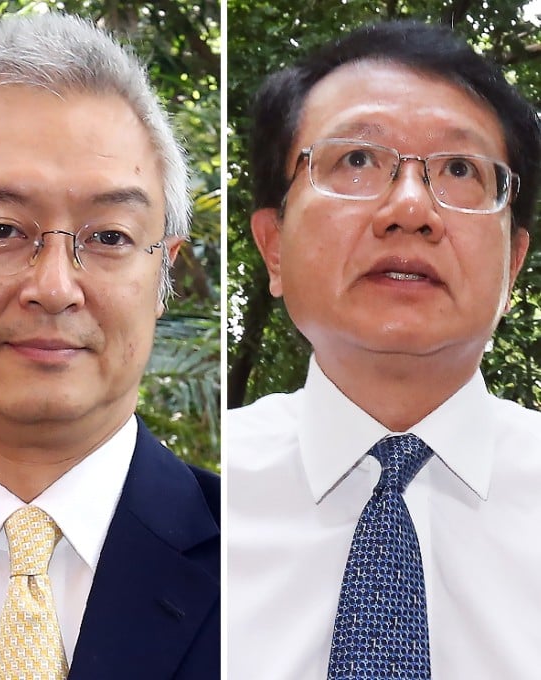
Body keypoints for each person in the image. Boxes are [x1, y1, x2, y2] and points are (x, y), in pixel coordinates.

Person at [0, 13, 219, 680]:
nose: (55, 288)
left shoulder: (263, 561)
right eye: (0, 229)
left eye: (108, 237)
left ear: (163, 271)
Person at [226, 20, 541, 679]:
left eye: (459, 169)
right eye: (357, 160)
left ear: (513, 266)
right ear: (273, 247)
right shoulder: (192, 504)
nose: (409, 208)